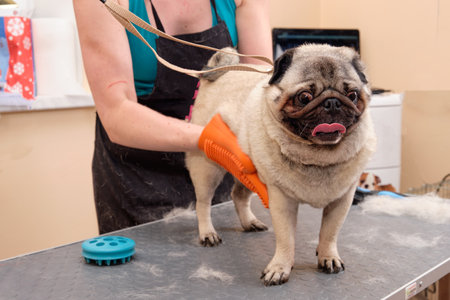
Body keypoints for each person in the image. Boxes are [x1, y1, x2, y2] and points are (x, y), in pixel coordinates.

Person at [73, 0, 272, 234]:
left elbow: (258, 92)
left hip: (221, 171)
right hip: (136, 182)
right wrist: (210, 138)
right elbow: (116, 111)